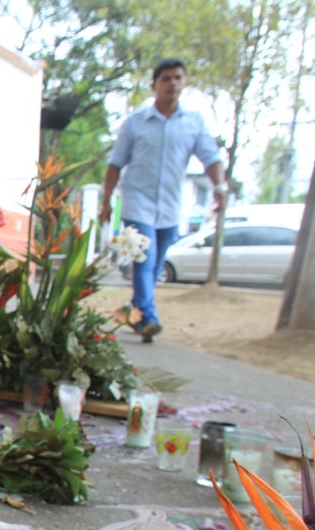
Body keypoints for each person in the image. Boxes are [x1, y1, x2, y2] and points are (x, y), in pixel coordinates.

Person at [99, 59, 226, 343]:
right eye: (166, 78)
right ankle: (150, 318)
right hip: (137, 202)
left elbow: (211, 158)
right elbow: (115, 164)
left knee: (155, 266)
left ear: (184, 82)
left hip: (170, 206)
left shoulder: (193, 123)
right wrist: (106, 202)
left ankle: (137, 311)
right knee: (145, 260)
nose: (172, 83)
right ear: (154, 85)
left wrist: (219, 186)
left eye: (178, 78)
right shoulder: (136, 123)